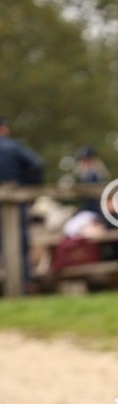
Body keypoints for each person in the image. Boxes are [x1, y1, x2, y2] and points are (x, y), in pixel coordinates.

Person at [0, 116, 45, 291]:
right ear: (4, 129)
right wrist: (30, 189)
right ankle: (23, 285)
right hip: (17, 199)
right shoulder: (13, 146)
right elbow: (37, 165)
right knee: (21, 244)